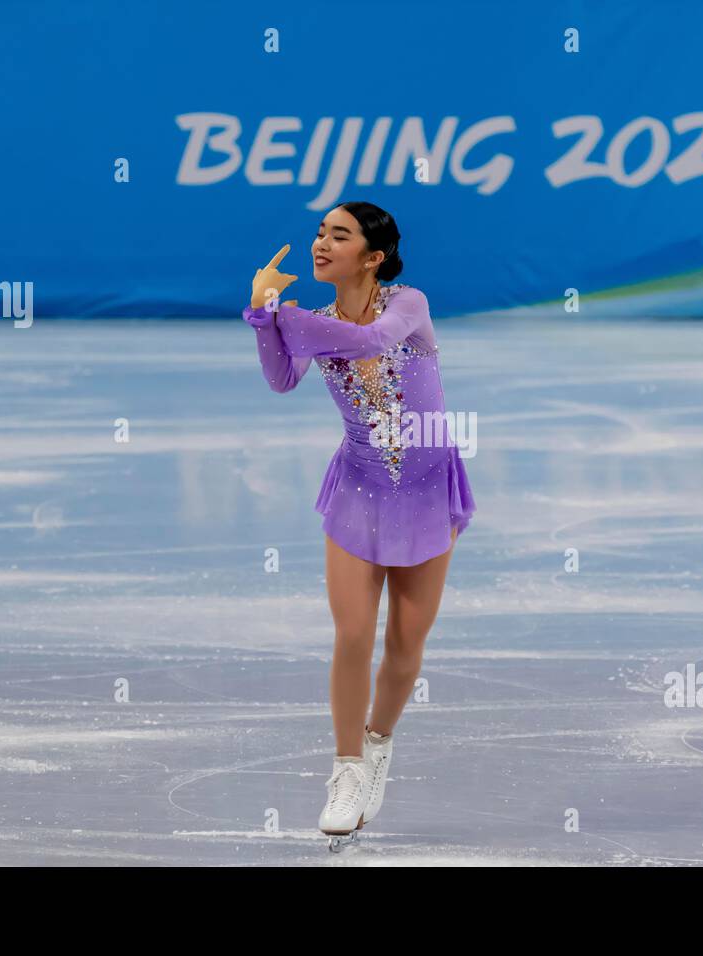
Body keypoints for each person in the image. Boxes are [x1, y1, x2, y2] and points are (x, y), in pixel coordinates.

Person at [240, 201, 475, 848]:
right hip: (359, 488)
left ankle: (377, 745)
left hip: (427, 489)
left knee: (405, 642)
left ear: (372, 257)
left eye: (338, 236)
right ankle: (346, 770)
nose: (321, 244)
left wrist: (280, 313)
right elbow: (283, 378)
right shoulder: (311, 322)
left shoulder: (410, 305)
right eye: (320, 233)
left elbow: (372, 341)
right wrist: (264, 317)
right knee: (352, 634)